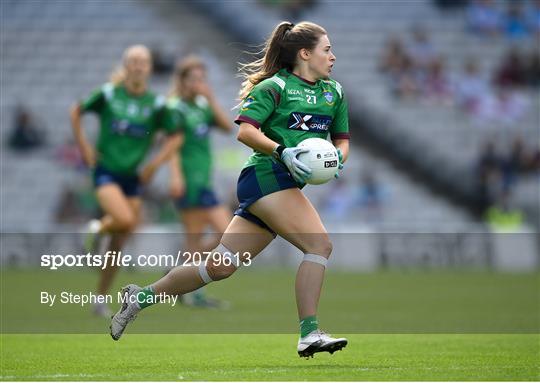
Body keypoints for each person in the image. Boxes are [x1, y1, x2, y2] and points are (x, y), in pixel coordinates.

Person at [110, 21, 350, 359]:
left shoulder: (333, 92)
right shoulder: (275, 87)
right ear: (305, 53)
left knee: (219, 266)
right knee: (319, 245)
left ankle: (140, 297)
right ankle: (309, 333)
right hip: (266, 174)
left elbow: (341, 140)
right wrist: (283, 151)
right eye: (327, 49)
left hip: (282, 184)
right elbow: (245, 132)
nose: (333, 56)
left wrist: (337, 160)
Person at [70, 45, 181, 317]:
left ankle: (99, 300)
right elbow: (76, 111)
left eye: (143, 62)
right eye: (133, 61)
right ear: (126, 66)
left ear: (149, 68)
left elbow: (176, 136)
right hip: (106, 170)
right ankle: (95, 228)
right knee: (126, 221)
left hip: (132, 177)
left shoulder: (156, 104)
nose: (138, 66)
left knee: (119, 242)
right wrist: (84, 146)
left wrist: (155, 163)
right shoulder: (109, 94)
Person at [167, 55, 234, 308]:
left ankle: (180, 273)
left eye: (202, 79)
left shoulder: (203, 105)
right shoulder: (175, 108)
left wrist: (211, 97)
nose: (199, 83)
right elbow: (171, 146)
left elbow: (227, 127)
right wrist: (175, 176)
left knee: (221, 234)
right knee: (205, 237)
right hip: (188, 179)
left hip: (204, 179)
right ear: (182, 81)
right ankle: (193, 293)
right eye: (194, 79)